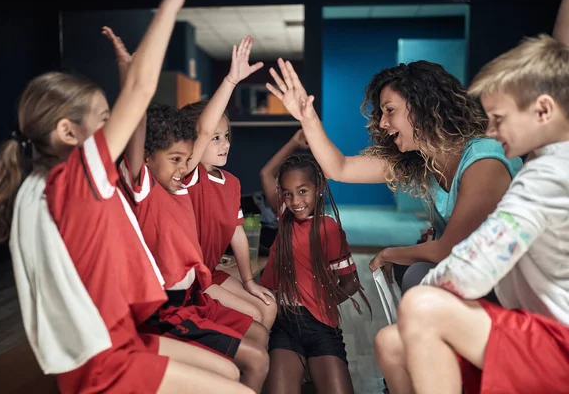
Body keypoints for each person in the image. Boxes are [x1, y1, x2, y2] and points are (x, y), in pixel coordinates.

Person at [0, 0, 253, 393]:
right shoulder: (74, 180)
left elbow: (134, 110)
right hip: (103, 361)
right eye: (104, 121)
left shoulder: (49, 180)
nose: (111, 128)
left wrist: (124, 72)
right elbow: (140, 93)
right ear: (68, 132)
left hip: (120, 339)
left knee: (229, 374)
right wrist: (171, 4)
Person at [375, 33, 569, 394]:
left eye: (498, 118)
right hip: (538, 326)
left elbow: (471, 271)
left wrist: (418, 308)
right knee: (391, 342)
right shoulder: (544, 164)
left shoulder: (546, 176)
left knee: (422, 303)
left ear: (543, 110)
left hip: (558, 340)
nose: (490, 130)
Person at [266, 59, 522, 292]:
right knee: (413, 273)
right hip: (471, 273)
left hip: (509, 284)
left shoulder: (485, 159)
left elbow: (449, 249)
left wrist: (389, 254)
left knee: (413, 274)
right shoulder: (426, 160)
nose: (382, 123)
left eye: (389, 110)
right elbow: (339, 168)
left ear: (423, 106)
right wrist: (307, 117)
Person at [118, 34, 270, 394]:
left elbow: (203, 131)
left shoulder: (181, 180)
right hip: (165, 312)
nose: (183, 167)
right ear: (146, 161)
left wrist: (231, 81)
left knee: (260, 338)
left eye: (186, 159)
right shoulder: (144, 187)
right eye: (174, 159)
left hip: (194, 300)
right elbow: (134, 128)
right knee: (251, 361)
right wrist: (131, 81)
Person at [259, 151, 370, 394]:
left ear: (318, 187)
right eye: (287, 193)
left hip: (320, 327)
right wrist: (293, 143)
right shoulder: (285, 217)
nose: (295, 200)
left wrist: (320, 301)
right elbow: (266, 173)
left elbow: (351, 282)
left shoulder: (328, 228)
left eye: (302, 191)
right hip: (285, 324)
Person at [182, 96, 278, 332]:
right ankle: (242, 363)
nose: (225, 144)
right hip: (189, 279)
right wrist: (232, 81)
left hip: (210, 273)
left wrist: (248, 282)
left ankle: (254, 366)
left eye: (226, 136)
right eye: (215, 138)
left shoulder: (232, 183)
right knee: (254, 315)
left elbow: (238, 234)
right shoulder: (187, 176)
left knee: (268, 305)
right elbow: (203, 131)